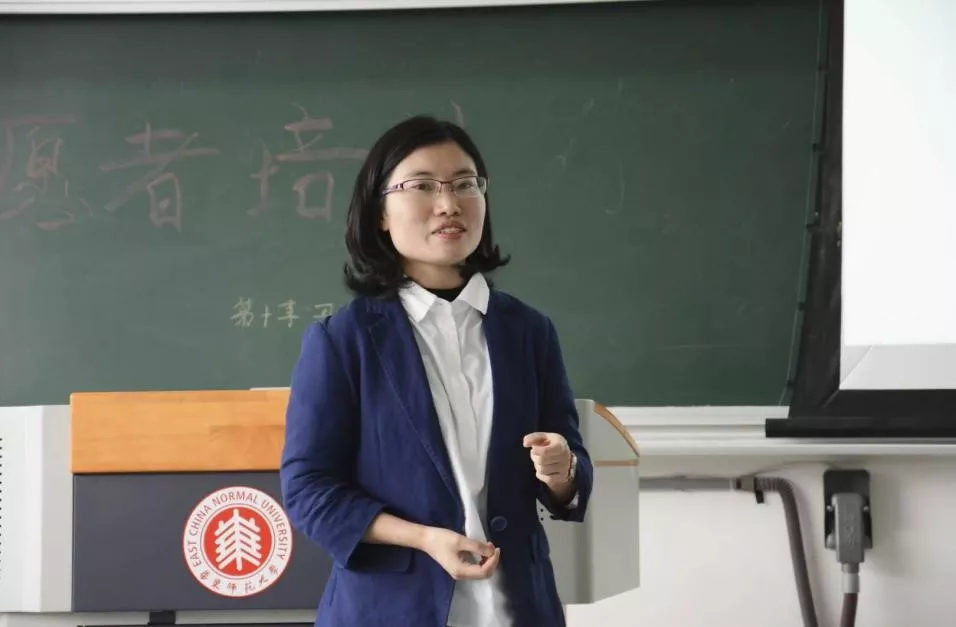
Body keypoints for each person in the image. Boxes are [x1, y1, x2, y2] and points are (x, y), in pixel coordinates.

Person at [280, 115, 593, 627]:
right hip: (390, 611)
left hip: (518, 608)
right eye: (422, 186)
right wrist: (424, 538)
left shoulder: (529, 331)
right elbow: (309, 489)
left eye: (465, 184)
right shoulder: (343, 340)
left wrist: (563, 470)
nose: (449, 203)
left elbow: (568, 480)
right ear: (380, 213)